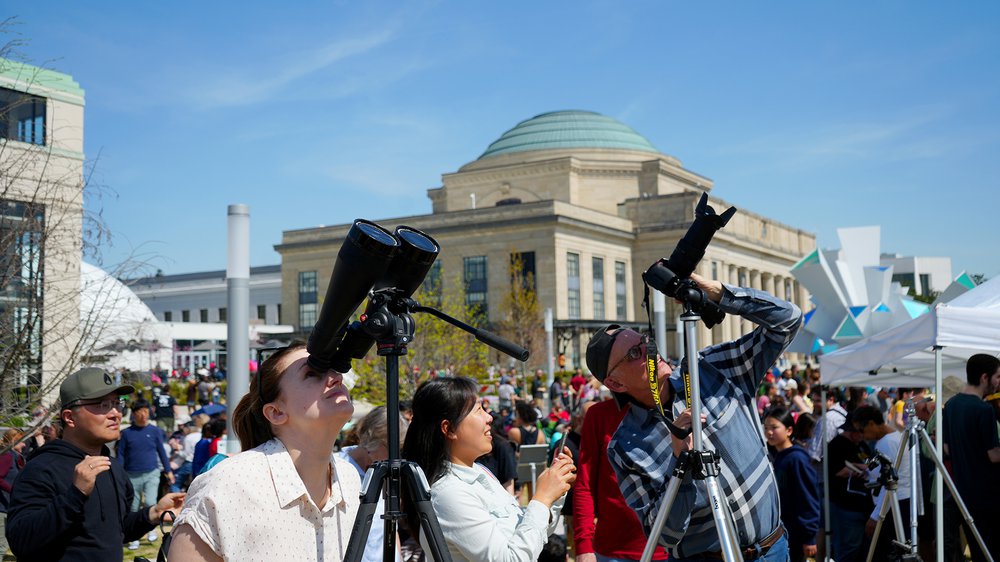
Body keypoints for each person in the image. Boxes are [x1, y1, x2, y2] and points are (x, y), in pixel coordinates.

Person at [586, 272, 801, 561]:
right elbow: (664, 535)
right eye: (636, 353)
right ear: (616, 384)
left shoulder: (711, 369)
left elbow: (789, 320)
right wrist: (680, 464)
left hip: (772, 548)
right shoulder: (627, 446)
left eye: (646, 341)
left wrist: (721, 294)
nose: (651, 352)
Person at [168, 343, 360, 561]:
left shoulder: (350, 479)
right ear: (276, 412)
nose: (336, 378)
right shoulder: (227, 484)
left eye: (334, 370)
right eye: (312, 374)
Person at [5, 367, 184, 561]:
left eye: (117, 403)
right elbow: (20, 542)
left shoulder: (111, 466)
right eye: (102, 404)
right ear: (69, 417)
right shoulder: (40, 468)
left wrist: (153, 513)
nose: (115, 413)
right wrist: (75, 495)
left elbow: (114, 531)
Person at [400, 376, 576, 561]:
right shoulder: (448, 494)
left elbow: (532, 537)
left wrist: (552, 493)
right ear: (449, 429)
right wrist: (542, 498)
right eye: (478, 410)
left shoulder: (480, 472)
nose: (489, 417)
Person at [573, 398, 668, 562]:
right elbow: (585, 485)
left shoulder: (677, 407)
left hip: (672, 549)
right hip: (614, 551)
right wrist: (584, 546)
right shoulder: (599, 414)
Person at [942, 353, 1000, 561]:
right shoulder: (984, 410)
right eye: (998, 377)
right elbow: (994, 455)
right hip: (989, 496)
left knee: (978, 552)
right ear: (985, 377)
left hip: (964, 494)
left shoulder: (951, 406)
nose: (998, 383)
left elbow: (946, 448)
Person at [337, 406, 407, 562]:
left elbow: (389, 526)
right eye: (396, 448)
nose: (398, 456)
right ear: (374, 439)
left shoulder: (386, 471)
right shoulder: (337, 467)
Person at [851, 404, 912, 561]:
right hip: (896, 504)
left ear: (871, 423)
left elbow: (890, 484)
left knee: (886, 554)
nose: (861, 435)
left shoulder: (887, 443)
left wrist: (876, 516)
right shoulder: (894, 437)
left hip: (892, 506)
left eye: (861, 430)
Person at [763, 407, 819, 562]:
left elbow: (808, 498)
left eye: (774, 428)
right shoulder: (774, 455)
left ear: (789, 430)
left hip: (795, 533)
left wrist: (809, 537)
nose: (769, 433)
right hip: (779, 531)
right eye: (766, 428)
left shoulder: (797, 459)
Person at [117, 400, 174, 549]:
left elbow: (161, 451)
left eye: (146, 412)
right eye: (140, 412)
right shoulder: (126, 433)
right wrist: (119, 474)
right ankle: (133, 536)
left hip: (152, 473)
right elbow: (121, 454)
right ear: (134, 414)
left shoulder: (155, 431)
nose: (143, 415)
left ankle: (152, 530)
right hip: (131, 474)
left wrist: (168, 470)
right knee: (133, 506)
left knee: (150, 502)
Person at [826, 413, 873, 562]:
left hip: (863, 506)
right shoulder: (836, 445)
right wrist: (863, 468)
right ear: (853, 431)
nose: (864, 436)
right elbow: (839, 471)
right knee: (848, 549)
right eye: (861, 432)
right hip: (846, 507)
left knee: (861, 549)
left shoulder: (861, 445)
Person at [0, 429, 27, 556]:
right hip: (2, 508)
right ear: (13, 441)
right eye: (22, 442)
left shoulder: (13, 456)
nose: (24, 445)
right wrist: (13, 491)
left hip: (6, 507)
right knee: (2, 546)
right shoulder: (7, 456)